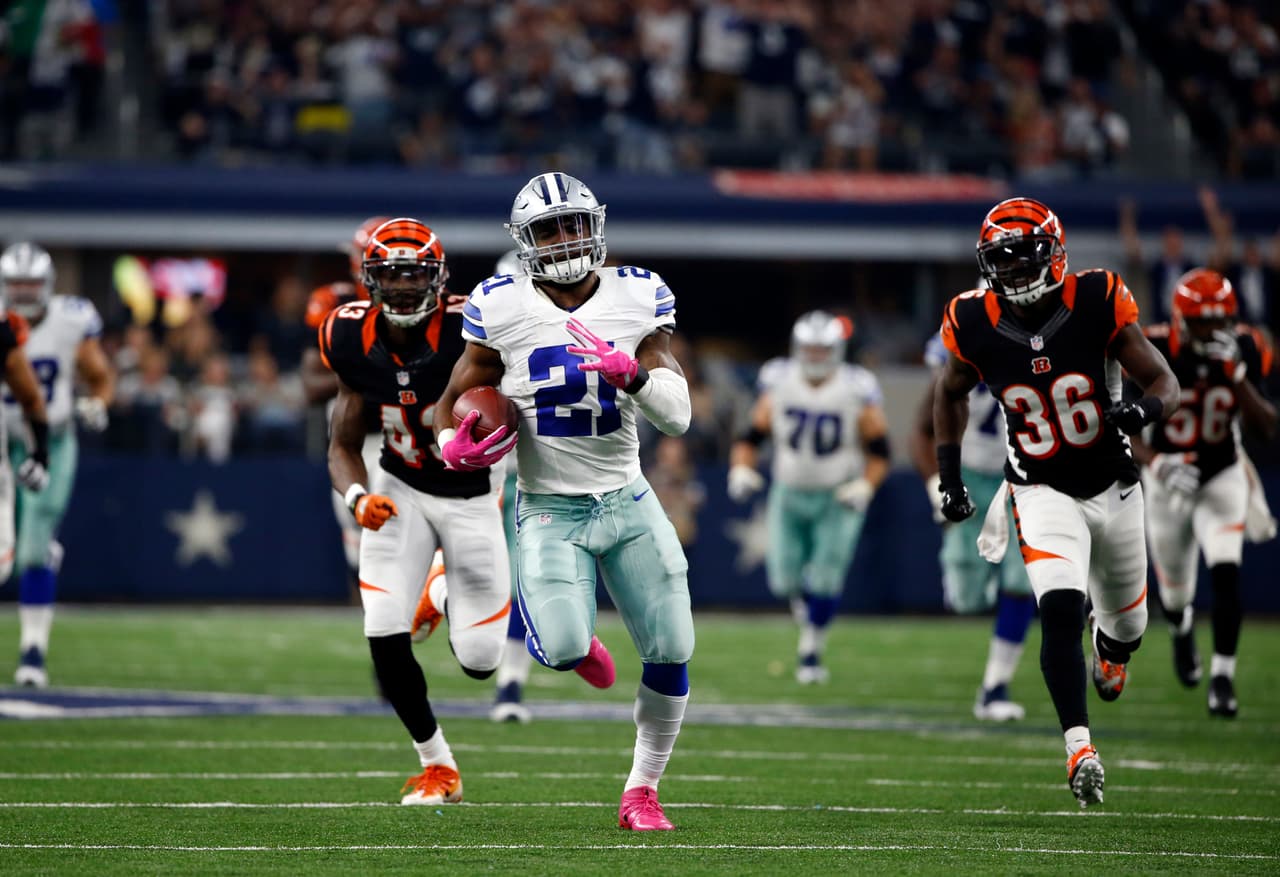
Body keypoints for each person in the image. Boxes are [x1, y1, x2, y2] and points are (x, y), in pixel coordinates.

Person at [433, 172, 694, 831]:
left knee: (672, 645)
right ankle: (581, 651)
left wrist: (632, 374)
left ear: (595, 224)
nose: (565, 238)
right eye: (549, 228)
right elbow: (458, 390)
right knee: (562, 642)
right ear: (526, 241)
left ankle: (642, 791)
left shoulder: (638, 295)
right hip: (550, 506)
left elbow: (681, 417)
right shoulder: (499, 304)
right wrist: (449, 443)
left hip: (628, 497)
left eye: (574, 223)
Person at [933, 197, 1179, 808]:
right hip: (1039, 486)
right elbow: (950, 392)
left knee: (1128, 628)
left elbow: (1164, 382)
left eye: (1023, 259)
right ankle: (1079, 747)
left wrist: (1141, 412)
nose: (1013, 272)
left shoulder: (1097, 299)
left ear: (1055, 254)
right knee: (1060, 609)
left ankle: (1112, 648)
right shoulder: (971, 318)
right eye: (1002, 261)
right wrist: (950, 476)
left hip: (1114, 484)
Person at [319, 218, 512, 806]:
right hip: (399, 487)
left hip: (472, 495)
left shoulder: (474, 328)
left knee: (481, 661)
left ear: (440, 278)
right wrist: (357, 498)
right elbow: (343, 443)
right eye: (391, 274)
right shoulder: (347, 336)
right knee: (381, 626)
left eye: (415, 273)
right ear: (368, 280)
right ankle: (438, 767)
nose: (403, 286)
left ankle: (443, 593)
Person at [1131, 268, 1276, 718]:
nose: (1211, 331)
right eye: (1200, 321)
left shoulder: (1246, 346)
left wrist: (1236, 375)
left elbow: (1267, 428)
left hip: (1221, 472)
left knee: (1226, 568)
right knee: (1174, 596)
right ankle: (1180, 629)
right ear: (1179, 319)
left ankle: (1223, 677)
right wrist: (1155, 462)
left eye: (1219, 321)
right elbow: (1118, 423)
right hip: (1167, 476)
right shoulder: (1149, 347)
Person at [726, 310, 889, 684]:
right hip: (789, 491)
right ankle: (811, 616)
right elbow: (751, 435)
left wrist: (866, 485)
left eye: (823, 350)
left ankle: (811, 650)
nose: (815, 357)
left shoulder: (855, 386)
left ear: (837, 349)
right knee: (782, 580)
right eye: (810, 349)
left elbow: (880, 449)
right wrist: (741, 468)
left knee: (827, 576)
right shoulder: (779, 379)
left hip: (838, 495)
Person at [1, 241, 113, 688]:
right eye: (16, 284)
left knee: (31, 549)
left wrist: (99, 404)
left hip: (52, 438)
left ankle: (33, 650)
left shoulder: (69, 322)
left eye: (32, 283)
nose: (25, 292)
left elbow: (100, 377)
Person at [911, 330, 1036, 721]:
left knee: (1021, 580)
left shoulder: (1043, 345)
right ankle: (959, 569)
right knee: (966, 599)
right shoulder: (958, 343)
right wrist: (937, 482)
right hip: (969, 474)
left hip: (1024, 477)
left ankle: (995, 685)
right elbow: (922, 427)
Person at [301, 216, 390, 584]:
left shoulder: (422, 304)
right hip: (350, 433)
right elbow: (310, 384)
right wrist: (365, 368)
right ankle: (369, 610)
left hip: (400, 431)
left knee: (394, 526)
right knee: (355, 522)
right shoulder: (334, 302)